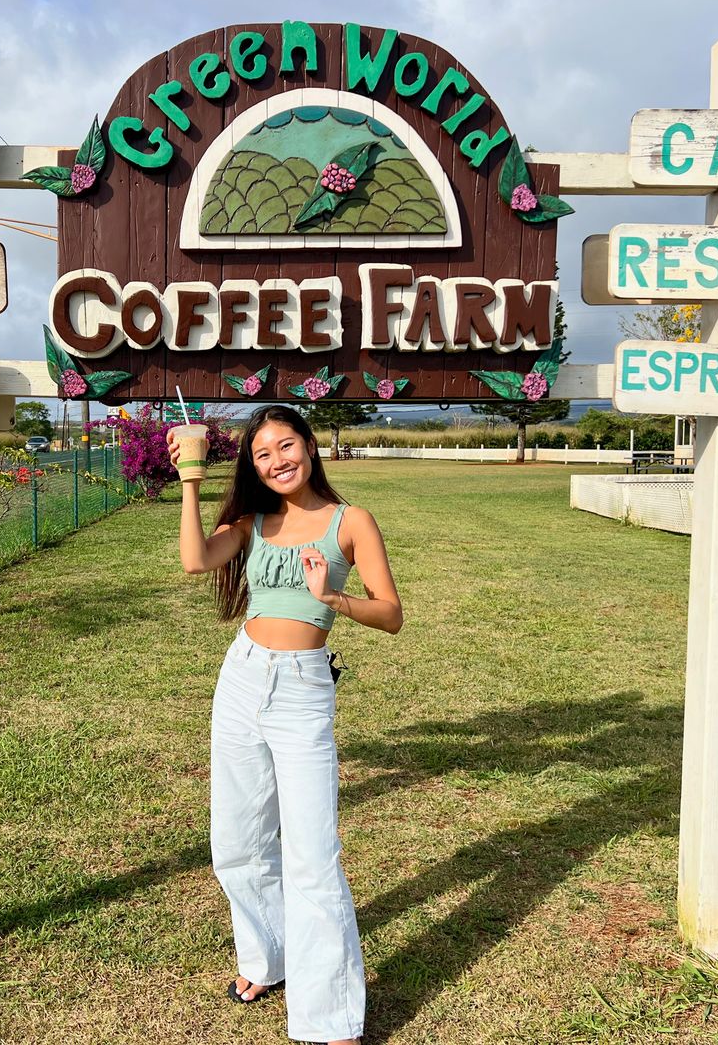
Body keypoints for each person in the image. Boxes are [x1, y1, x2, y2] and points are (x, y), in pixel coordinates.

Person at [168, 404, 402, 1045]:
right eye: (262, 454)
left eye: (285, 445)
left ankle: (328, 1015)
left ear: (309, 444)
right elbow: (196, 560)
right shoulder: (254, 518)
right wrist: (190, 479)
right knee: (238, 843)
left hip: (302, 691)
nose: (276, 461)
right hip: (243, 677)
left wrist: (333, 597)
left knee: (312, 856)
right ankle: (266, 959)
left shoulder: (350, 522)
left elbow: (391, 614)